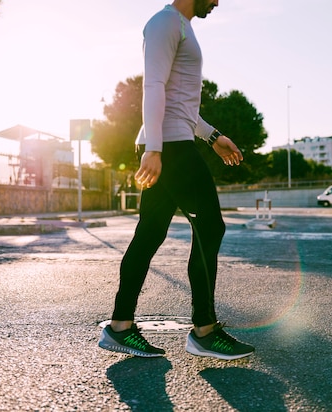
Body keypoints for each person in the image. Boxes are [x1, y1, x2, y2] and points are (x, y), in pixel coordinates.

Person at [98, 0, 255, 360]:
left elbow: (182, 103)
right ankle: (204, 330)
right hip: (170, 146)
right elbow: (153, 86)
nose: (217, 2)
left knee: (150, 234)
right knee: (210, 228)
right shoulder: (165, 22)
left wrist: (213, 137)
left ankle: (120, 327)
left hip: (171, 140)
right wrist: (154, 149)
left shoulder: (181, 25)